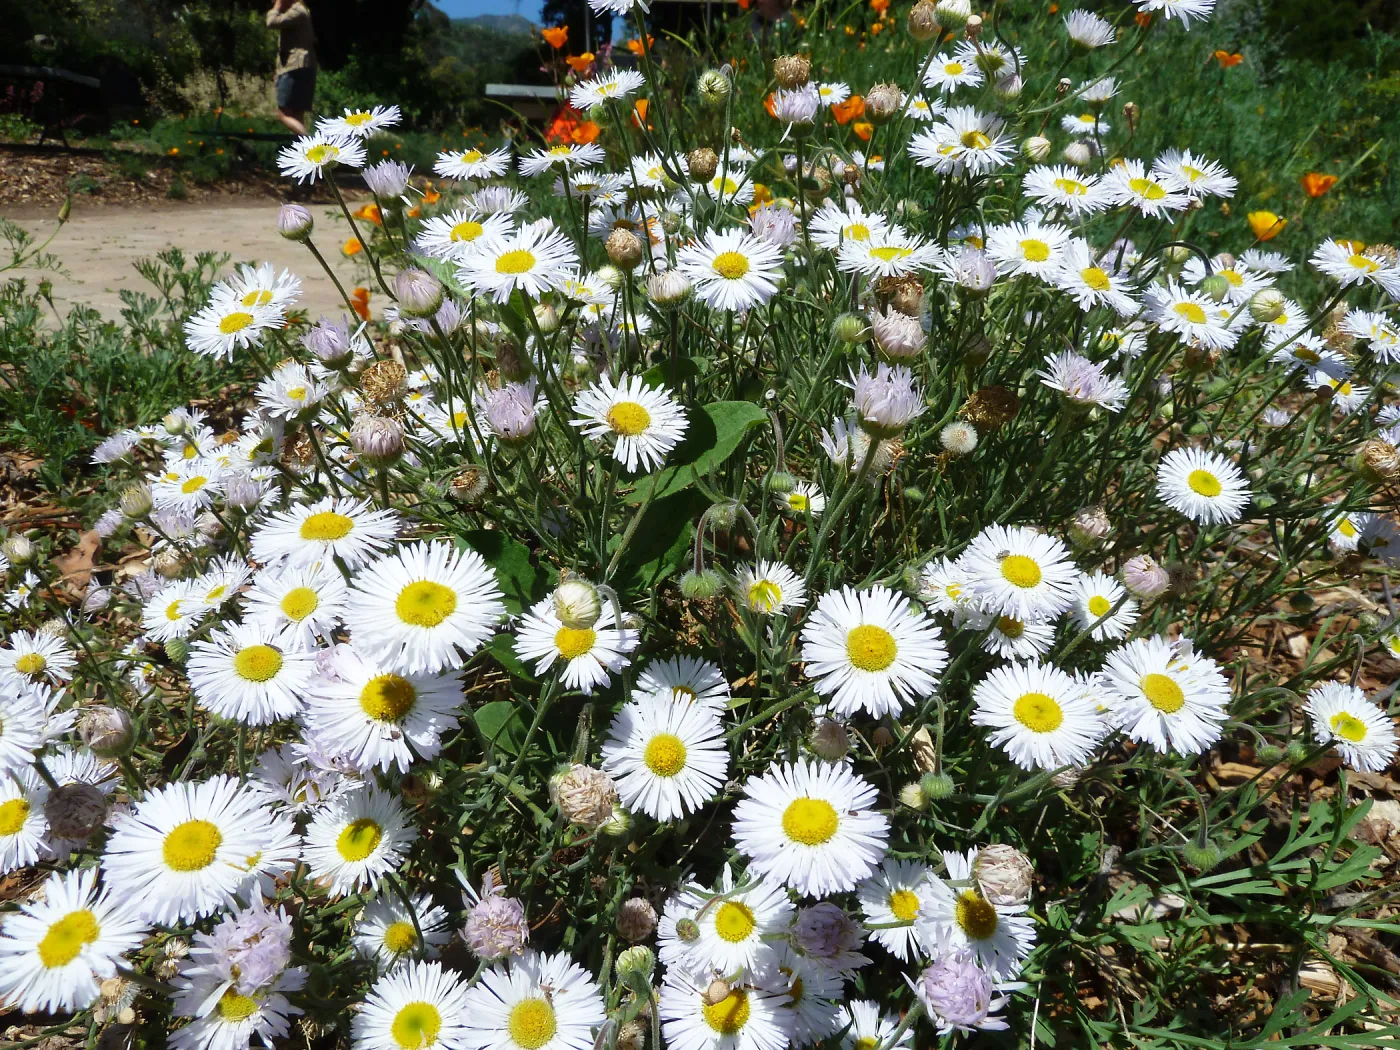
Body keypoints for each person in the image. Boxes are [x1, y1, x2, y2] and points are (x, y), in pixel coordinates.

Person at [267, 0, 317, 136]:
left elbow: (271, 22)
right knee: (296, 114)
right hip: (301, 66)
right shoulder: (299, 10)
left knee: (282, 113)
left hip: (295, 67)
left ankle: (310, 142)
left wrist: (276, 7)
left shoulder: (297, 11)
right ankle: (303, 151)